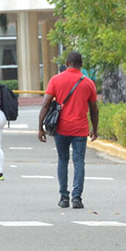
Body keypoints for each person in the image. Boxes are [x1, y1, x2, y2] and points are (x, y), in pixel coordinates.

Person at [37, 51, 99, 210]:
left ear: (66, 63)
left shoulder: (56, 80)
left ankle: (64, 197)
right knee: (79, 161)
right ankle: (77, 198)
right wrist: (95, 129)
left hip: (62, 129)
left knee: (62, 159)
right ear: (81, 64)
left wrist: (40, 128)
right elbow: (94, 109)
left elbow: (45, 104)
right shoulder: (88, 83)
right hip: (80, 129)